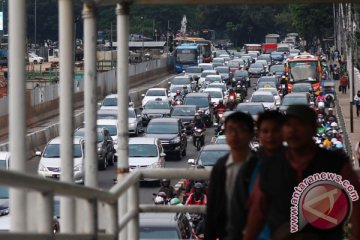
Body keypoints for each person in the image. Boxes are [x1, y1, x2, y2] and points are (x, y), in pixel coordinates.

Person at [243, 105, 360, 240]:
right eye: (288, 125)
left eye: (300, 125)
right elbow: (257, 211)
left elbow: (355, 201)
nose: (293, 130)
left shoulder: (335, 164)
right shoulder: (270, 167)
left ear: (313, 128)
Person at [230, 110, 285, 240]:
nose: (270, 136)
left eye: (275, 130)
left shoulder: (296, 164)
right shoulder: (248, 168)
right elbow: (238, 210)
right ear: (259, 134)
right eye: (265, 131)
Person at [205, 111, 257, 240]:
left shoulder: (260, 166)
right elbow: (212, 207)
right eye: (230, 130)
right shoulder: (220, 166)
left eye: (240, 130)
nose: (235, 135)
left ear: (251, 134)